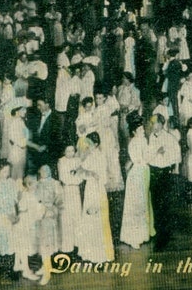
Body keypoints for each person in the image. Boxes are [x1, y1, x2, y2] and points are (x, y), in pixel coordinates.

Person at [76, 132, 115, 263]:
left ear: (96, 144)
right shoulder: (88, 156)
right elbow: (81, 172)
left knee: (97, 219)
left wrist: (89, 173)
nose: (87, 145)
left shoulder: (100, 157)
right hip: (89, 189)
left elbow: (101, 177)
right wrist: (87, 172)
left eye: (89, 143)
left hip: (97, 190)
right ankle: (89, 253)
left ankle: (100, 255)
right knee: (89, 219)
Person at [119, 113, 155, 249]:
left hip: (143, 171)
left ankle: (143, 234)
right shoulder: (134, 142)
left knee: (144, 202)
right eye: (139, 129)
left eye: (142, 129)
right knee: (136, 204)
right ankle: (133, 237)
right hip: (137, 174)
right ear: (134, 131)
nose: (142, 131)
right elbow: (139, 159)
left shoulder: (143, 141)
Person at [147, 114, 180, 251]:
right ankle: (158, 231)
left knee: (164, 204)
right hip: (154, 171)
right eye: (152, 123)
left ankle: (164, 234)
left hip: (164, 173)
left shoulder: (168, 138)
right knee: (155, 202)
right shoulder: (150, 137)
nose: (153, 126)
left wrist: (167, 158)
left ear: (161, 124)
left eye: (156, 123)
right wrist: (156, 152)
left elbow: (176, 154)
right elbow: (148, 155)